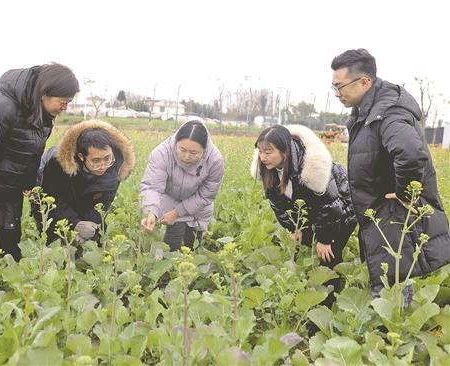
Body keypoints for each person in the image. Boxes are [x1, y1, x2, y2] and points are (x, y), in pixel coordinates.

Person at [330, 48, 450, 303]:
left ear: (364, 81)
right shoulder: (367, 111)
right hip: (381, 216)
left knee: (394, 286)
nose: (337, 94)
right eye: (334, 88)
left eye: (340, 87)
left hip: (393, 215)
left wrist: (407, 193)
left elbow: (410, 152)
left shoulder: (389, 112)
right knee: (391, 281)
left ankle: (395, 336)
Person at [0, 63, 79, 261]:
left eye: (68, 103)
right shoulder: (4, 106)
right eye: (63, 101)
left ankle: (8, 272)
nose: (65, 108)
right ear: (44, 93)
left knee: (10, 230)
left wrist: (28, 181)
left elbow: (33, 152)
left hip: (6, 176)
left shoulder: (44, 115)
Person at [250, 124, 357, 308]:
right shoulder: (269, 170)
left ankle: (328, 302)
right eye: (260, 151)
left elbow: (332, 207)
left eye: (268, 152)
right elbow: (279, 206)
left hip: (343, 207)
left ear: (285, 152)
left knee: (328, 255)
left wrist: (324, 239)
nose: (262, 157)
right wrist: (295, 228)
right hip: (312, 210)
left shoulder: (312, 168)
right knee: (302, 244)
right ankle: (307, 295)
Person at [34, 120, 135, 243]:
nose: (103, 166)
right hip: (50, 189)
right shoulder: (58, 164)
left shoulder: (118, 164)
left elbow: (103, 202)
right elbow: (53, 200)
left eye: (107, 158)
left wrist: (90, 225)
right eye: (96, 161)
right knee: (54, 239)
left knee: (96, 237)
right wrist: (75, 223)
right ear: (81, 157)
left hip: (86, 196)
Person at [140, 120, 224, 250]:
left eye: (193, 153)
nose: (186, 156)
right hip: (169, 200)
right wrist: (151, 212)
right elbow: (152, 186)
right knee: (170, 248)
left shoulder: (214, 160)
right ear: (176, 144)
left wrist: (178, 212)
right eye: (182, 150)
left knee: (192, 247)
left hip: (197, 206)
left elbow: (206, 195)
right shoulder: (162, 153)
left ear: (204, 149)